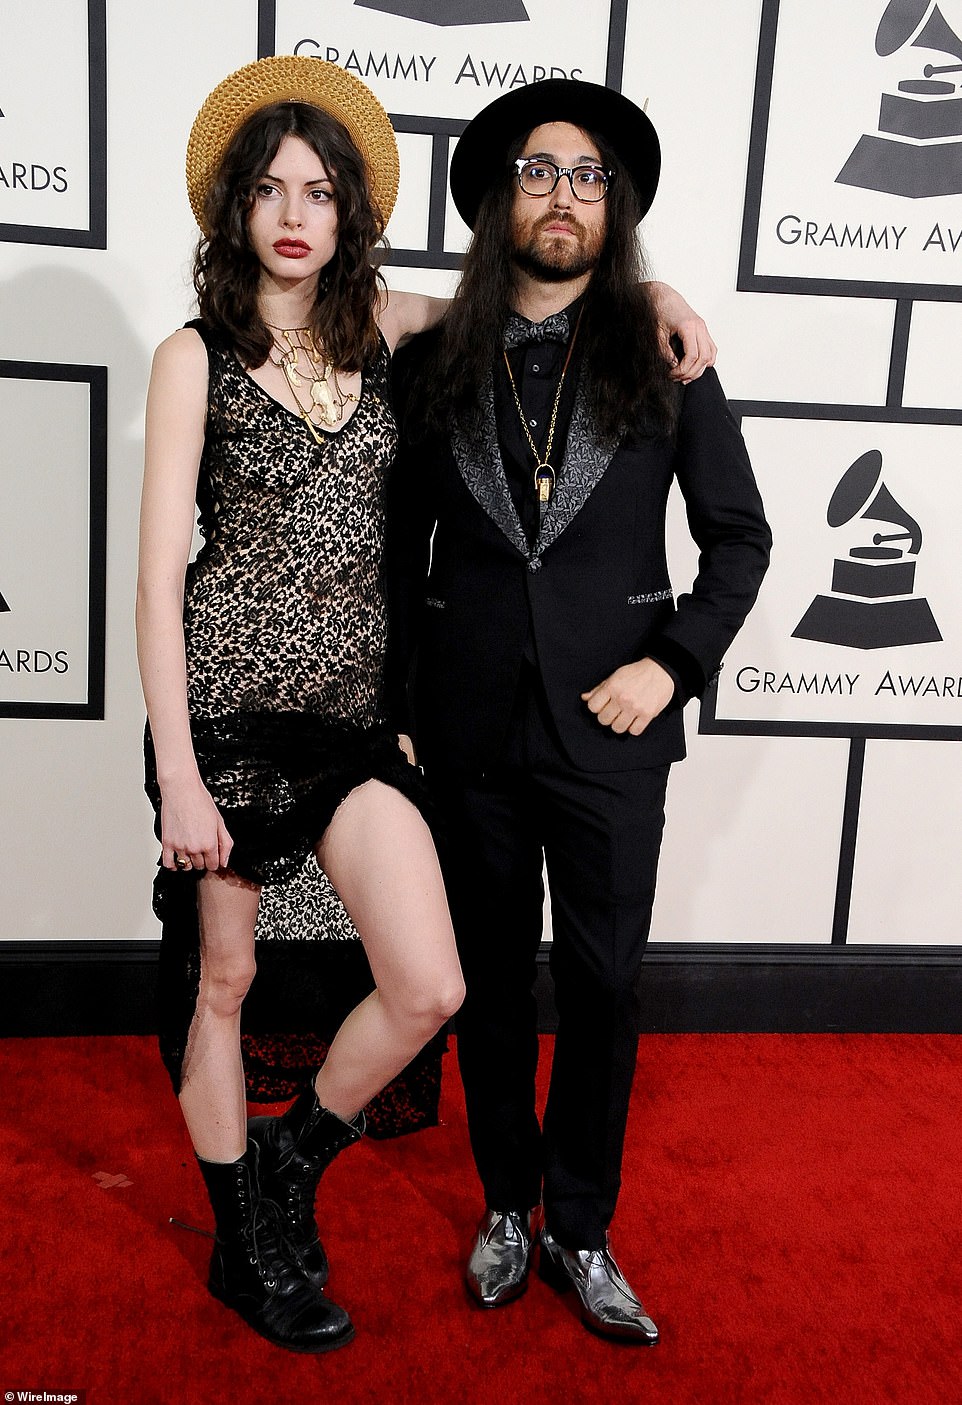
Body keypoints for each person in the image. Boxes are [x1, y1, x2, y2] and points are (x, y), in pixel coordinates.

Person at [137, 55, 713, 1355]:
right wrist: (176, 767)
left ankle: (287, 1159)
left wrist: (654, 288)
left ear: (349, 217)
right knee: (223, 981)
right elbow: (155, 583)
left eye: (322, 191)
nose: (296, 213)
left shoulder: (380, 329)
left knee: (432, 981)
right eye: (272, 189)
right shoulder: (192, 358)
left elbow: (523, 301)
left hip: (349, 722)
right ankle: (244, 1240)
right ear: (233, 210)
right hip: (225, 719)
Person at [388, 78, 772, 1344]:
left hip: (614, 728)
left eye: (589, 176)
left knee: (603, 985)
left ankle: (580, 1225)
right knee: (491, 980)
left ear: (617, 208)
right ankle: (506, 1202)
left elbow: (738, 539)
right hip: (468, 730)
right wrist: (398, 705)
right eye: (540, 172)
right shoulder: (433, 360)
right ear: (502, 199)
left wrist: (669, 666)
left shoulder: (663, 354)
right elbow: (396, 551)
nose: (563, 195)